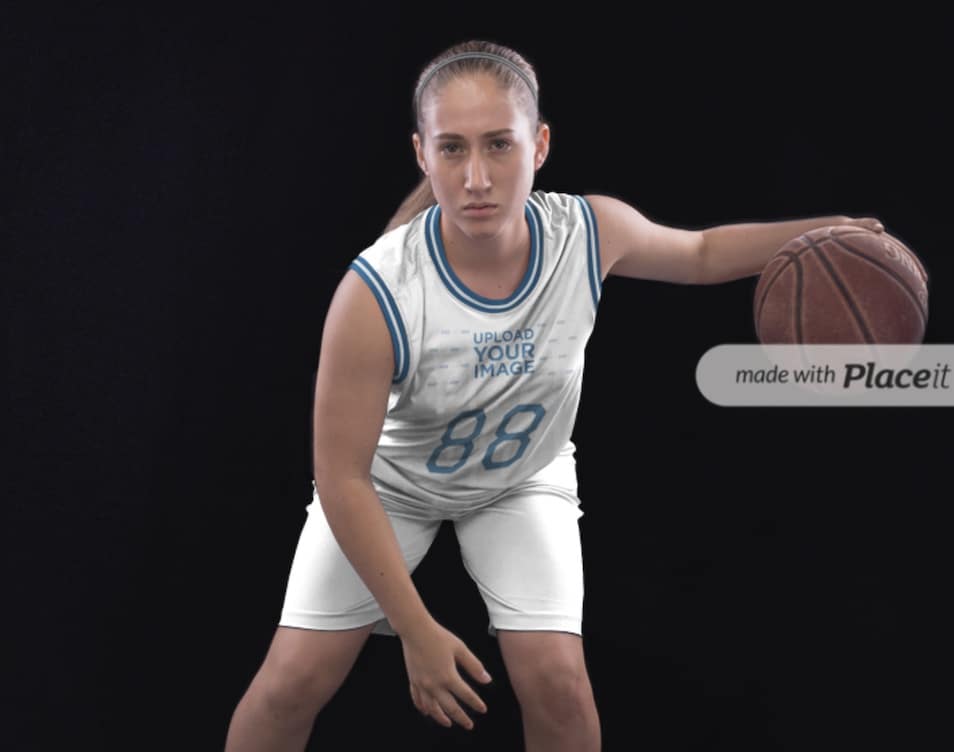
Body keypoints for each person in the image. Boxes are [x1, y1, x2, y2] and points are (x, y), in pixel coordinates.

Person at [224, 39, 883, 752]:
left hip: (519, 477)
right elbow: (342, 476)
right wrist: (414, 630)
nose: (477, 177)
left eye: (499, 145)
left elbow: (697, 253)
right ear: (421, 154)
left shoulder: (588, 234)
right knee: (290, 683)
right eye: (451, 149)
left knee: (562, 688)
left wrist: (823, 234)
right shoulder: (373, 291)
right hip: (389, 486)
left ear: (539, 145)